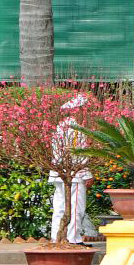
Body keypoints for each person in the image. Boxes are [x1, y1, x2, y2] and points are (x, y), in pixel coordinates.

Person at [49, 95, 92, 245]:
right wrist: (87, 174)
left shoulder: (60, 126)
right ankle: (73, 239)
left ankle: (56, 237)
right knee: (75, 207)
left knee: (60, 207)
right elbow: (78, 154)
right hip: (74, 174)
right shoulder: (76, 128)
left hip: (58, 172)